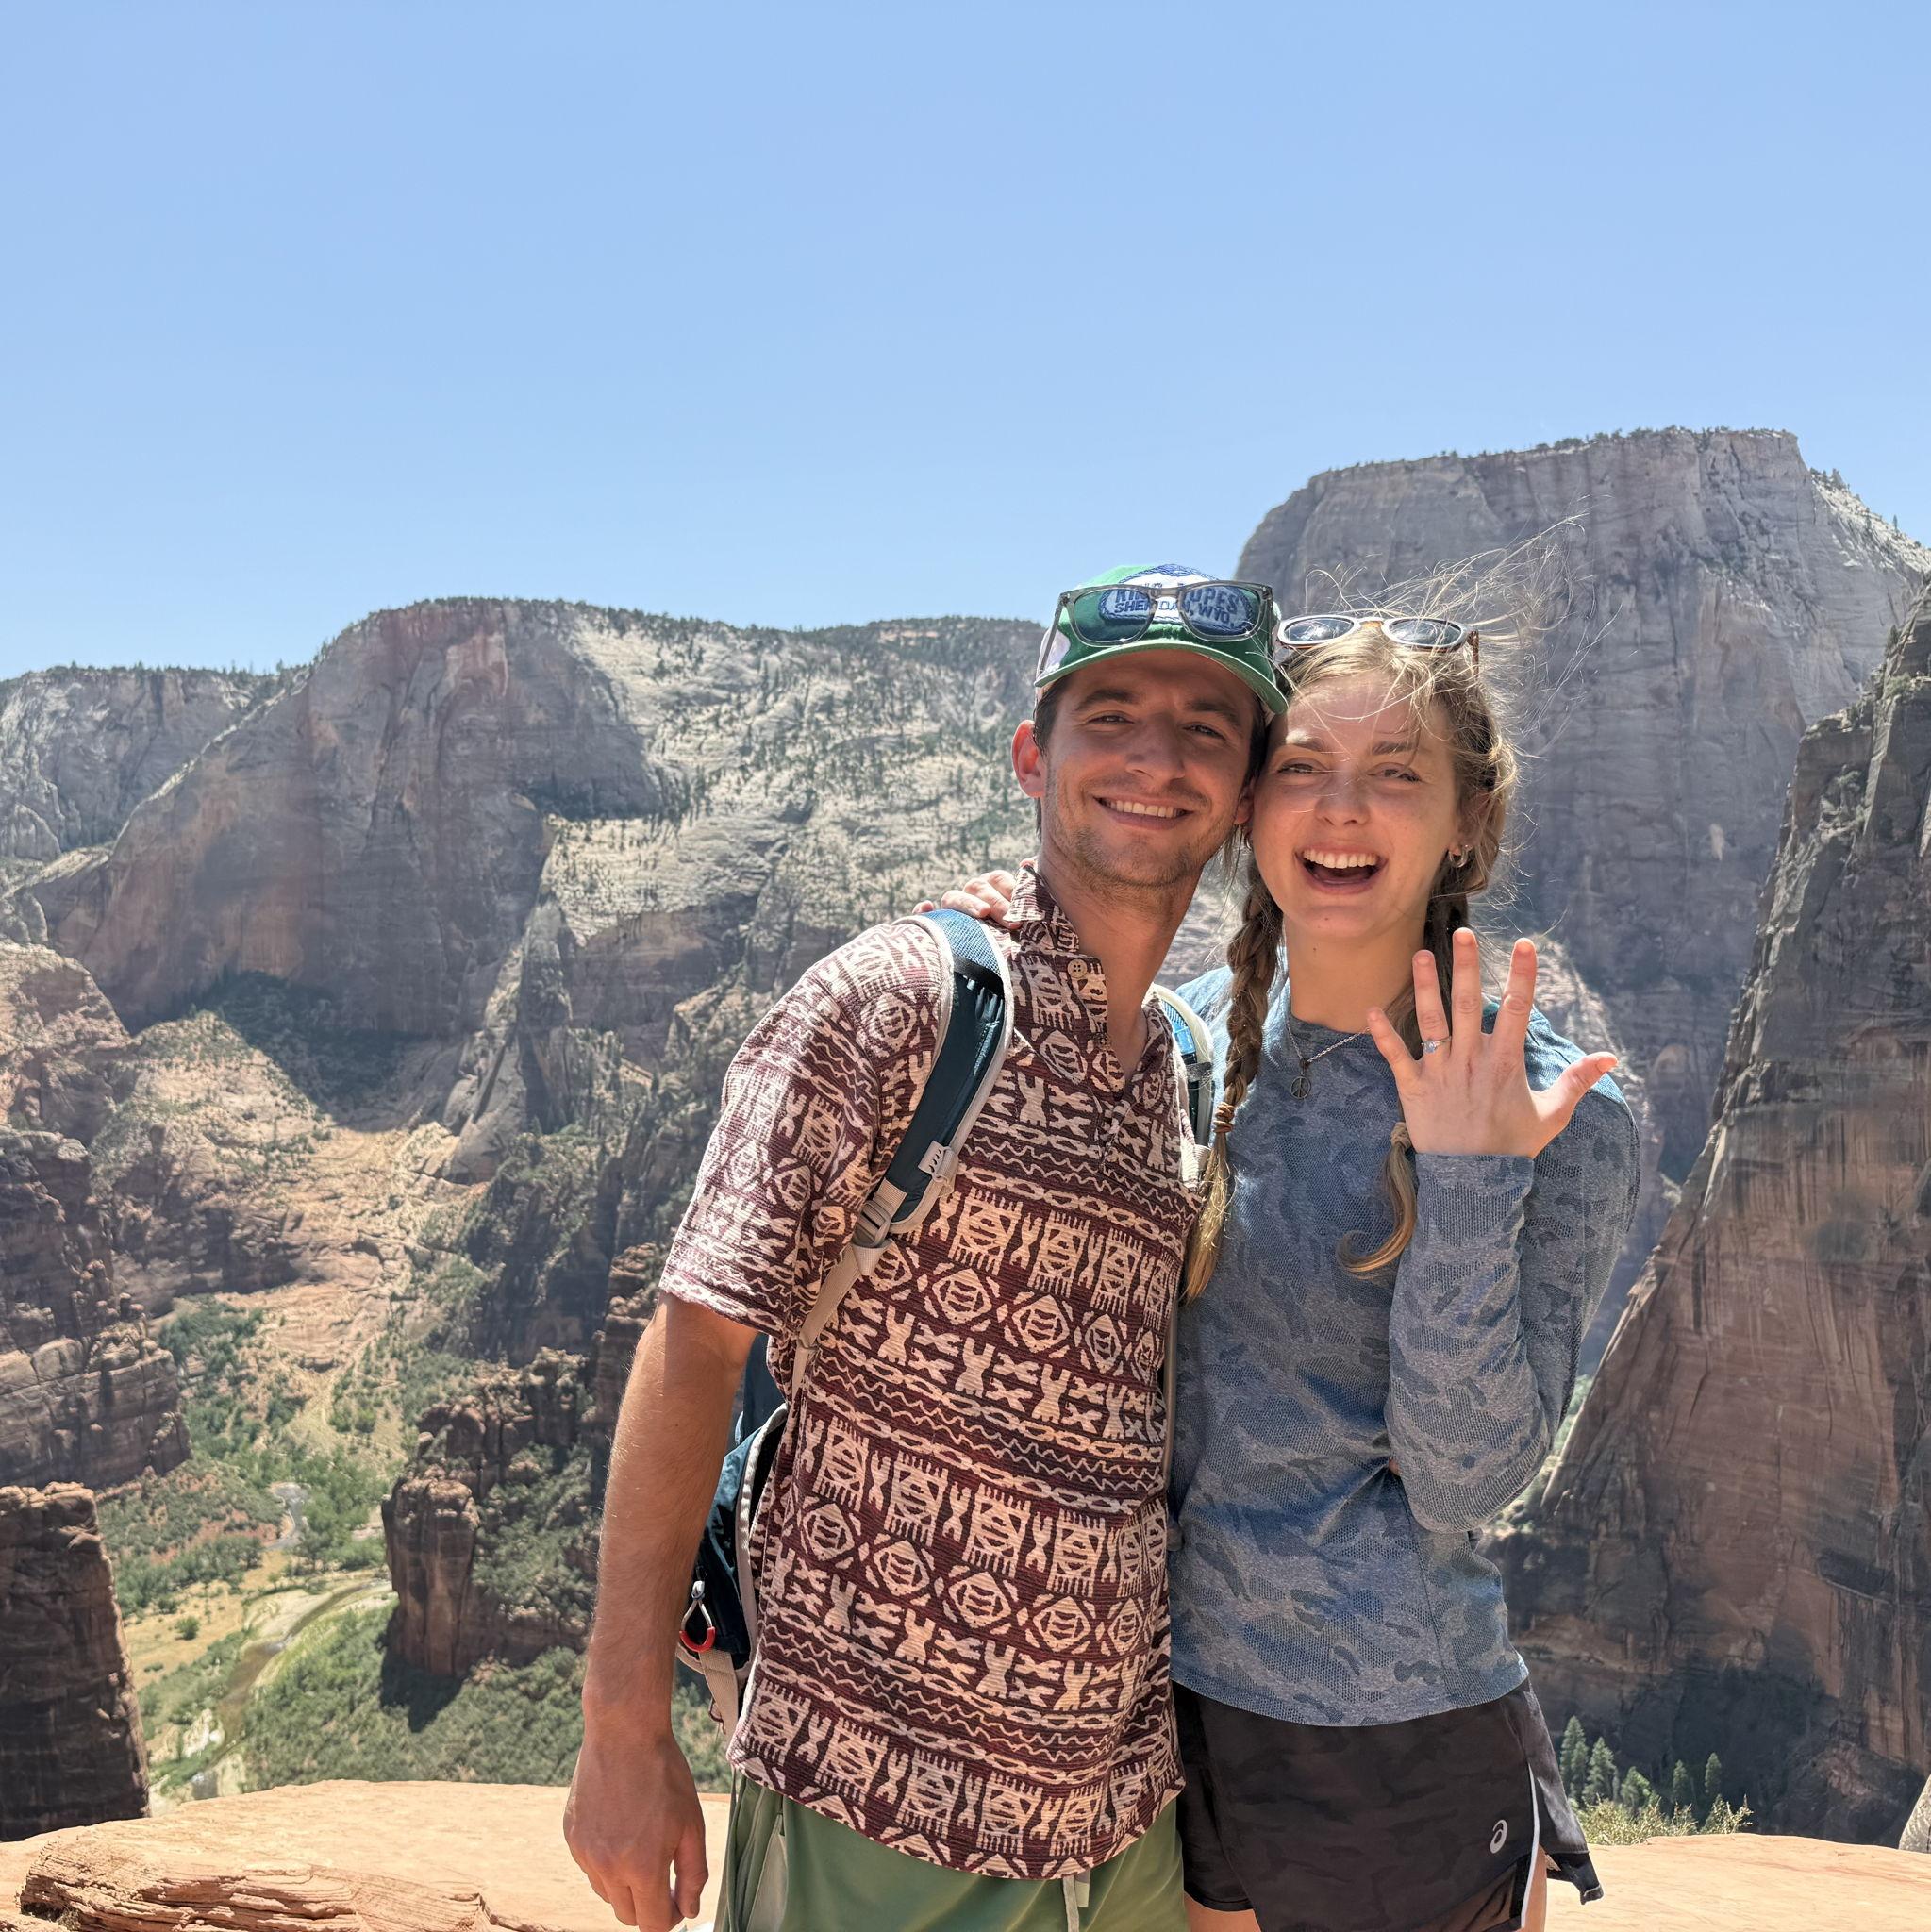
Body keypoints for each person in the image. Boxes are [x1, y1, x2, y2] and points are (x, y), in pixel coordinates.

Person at [564, 566, 1287, 1932]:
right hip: (872, 1816)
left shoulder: (1188, 1070)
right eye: (1112, 717)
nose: (1156, 759)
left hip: (1122, 1830)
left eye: (1207, 730)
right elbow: (697, 1339)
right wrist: (620, 1730)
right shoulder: (898, 1003)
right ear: (1032, 757)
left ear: (1246, 793)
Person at [937, 590, 1642, 1932]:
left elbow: (1466, 1480)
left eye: (1397, 775)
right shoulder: (1183, 1041)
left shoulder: (1552, 1111)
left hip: (1397, 1745)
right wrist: (1002, 928)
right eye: (1304, 766)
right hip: (1161, 1714)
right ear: (1250, 804)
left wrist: (1470, 1176)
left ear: (1468, 821)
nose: (1341, 812)